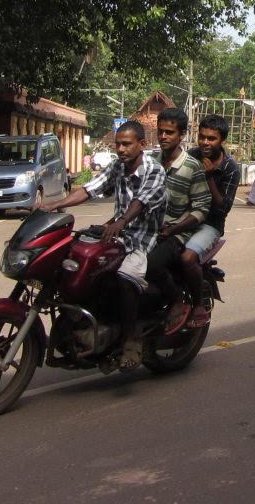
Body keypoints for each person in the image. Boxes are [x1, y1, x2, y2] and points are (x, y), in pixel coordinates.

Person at [36, 120, 166, 371]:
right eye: (118, 144)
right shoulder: (118, 167)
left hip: (142, 238)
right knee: (74, 260)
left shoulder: (154, 170)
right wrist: (53, 206)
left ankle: (130, 340)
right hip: (115, 234)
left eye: (126, 144)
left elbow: (140, 202)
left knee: (125, 277)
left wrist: (122, 221)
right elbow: (88, 189)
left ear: (142, 144)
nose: (121, 149)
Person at [144, 107, 211, 333]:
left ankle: (177, 301)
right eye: (160, 131)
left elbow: (201, 208)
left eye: (169, 132)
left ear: (181, 135)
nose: (163, 137)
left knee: (152, 265)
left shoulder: (192, 167)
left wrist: (174, 229)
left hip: (177, 233)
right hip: (147, 230)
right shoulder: (150, 162)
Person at [181, 115, 240, 326]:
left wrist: (208, 176)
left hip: (210, 224)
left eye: (212, 139)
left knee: (187, 258)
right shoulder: (190, 156)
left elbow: (222, 208)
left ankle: (198, 305)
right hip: (182, 217)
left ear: (221, 139)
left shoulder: (230, 168)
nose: (205, 143)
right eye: (202, 137)